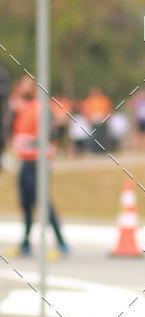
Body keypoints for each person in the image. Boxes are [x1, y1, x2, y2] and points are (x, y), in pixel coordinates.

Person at [10, 80, 68, 256]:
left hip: (39, 162)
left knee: (43, 201)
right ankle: (25, 243)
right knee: (25, 203)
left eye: (25, 85)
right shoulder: (23, 109)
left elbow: (53, 134)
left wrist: (32, 143)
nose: (20, 88)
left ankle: (60, 243)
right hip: (25, 161)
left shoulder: (42, 108)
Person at [81, 87, 112, 152]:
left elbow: (108, 109)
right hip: (93, 121)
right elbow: (86, 111)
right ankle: (95, 150)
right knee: (95, 136)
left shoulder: (104, 99)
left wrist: (106, 117)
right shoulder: (89, 100)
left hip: (103, 120)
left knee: (103, 135)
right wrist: (88, 119)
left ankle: (103, 150)